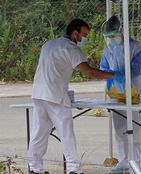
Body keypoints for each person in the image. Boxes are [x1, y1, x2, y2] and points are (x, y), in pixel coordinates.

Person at [28, 19, 123, 174]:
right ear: (74, 33)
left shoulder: (49, 44)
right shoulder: (71, 48)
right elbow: (90, 72)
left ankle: (34, 168)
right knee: (66, 133)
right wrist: (114, 75)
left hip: (38, 94)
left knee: (39, 132)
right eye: (84, 35)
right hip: (56, 95)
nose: (84, 38)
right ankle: (73, 168)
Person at [100, 16, 141, 174]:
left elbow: (137, 70)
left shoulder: (137, 47)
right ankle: (124, 162)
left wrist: (121, 75)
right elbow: (103, 68)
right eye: (109, 37)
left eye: (113, 35)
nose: (111, 39)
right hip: (117, 95)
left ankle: (139, 163)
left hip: (137, 95)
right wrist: (112, 78)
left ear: (122, 30)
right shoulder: (109, 50)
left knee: (137, 133)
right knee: (120, 130)